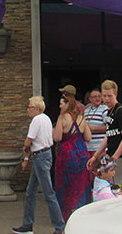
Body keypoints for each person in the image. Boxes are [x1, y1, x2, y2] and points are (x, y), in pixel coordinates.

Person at [12, 96, 65, 234]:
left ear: (36, 108)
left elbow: (29, 141)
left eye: (29, 107)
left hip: (40, 157)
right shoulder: (46, 119)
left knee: (48, 193)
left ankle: (59, 226)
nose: (28, 110)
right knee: (30, 191)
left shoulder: (36, 120)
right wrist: (27, 158)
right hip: (43, 154)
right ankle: (27, 224)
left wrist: (25, 149)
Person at [53, 93, 91, 223]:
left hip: (67, 154)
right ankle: (81, 212)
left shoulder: (62, 118)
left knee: (66, 185)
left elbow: (57, 137)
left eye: (62, 103)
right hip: (82, 152)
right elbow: (88, 137)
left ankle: (66, 215)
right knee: (81, 184)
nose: (59, 105)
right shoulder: (81, 118)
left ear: (68, 104)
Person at [85, 80, 122, 185]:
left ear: (115, 94)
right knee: (112, 185)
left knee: (120, 184)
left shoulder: (121, 111)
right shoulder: (108, 112)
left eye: (109, 96)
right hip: (111, 153)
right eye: (104, 96)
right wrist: (95, 156)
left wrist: (115, 157)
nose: (106, 99)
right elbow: (108, 136)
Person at [83, 89, 108, 156]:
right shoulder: (86, 111)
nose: (97, 98)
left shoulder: (105, 109)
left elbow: (108, 127)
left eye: (99, 96)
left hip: (100, 147)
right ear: (90, 99)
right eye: (95, 97)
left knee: (100, 166)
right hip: (88, 147)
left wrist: (93, 128)